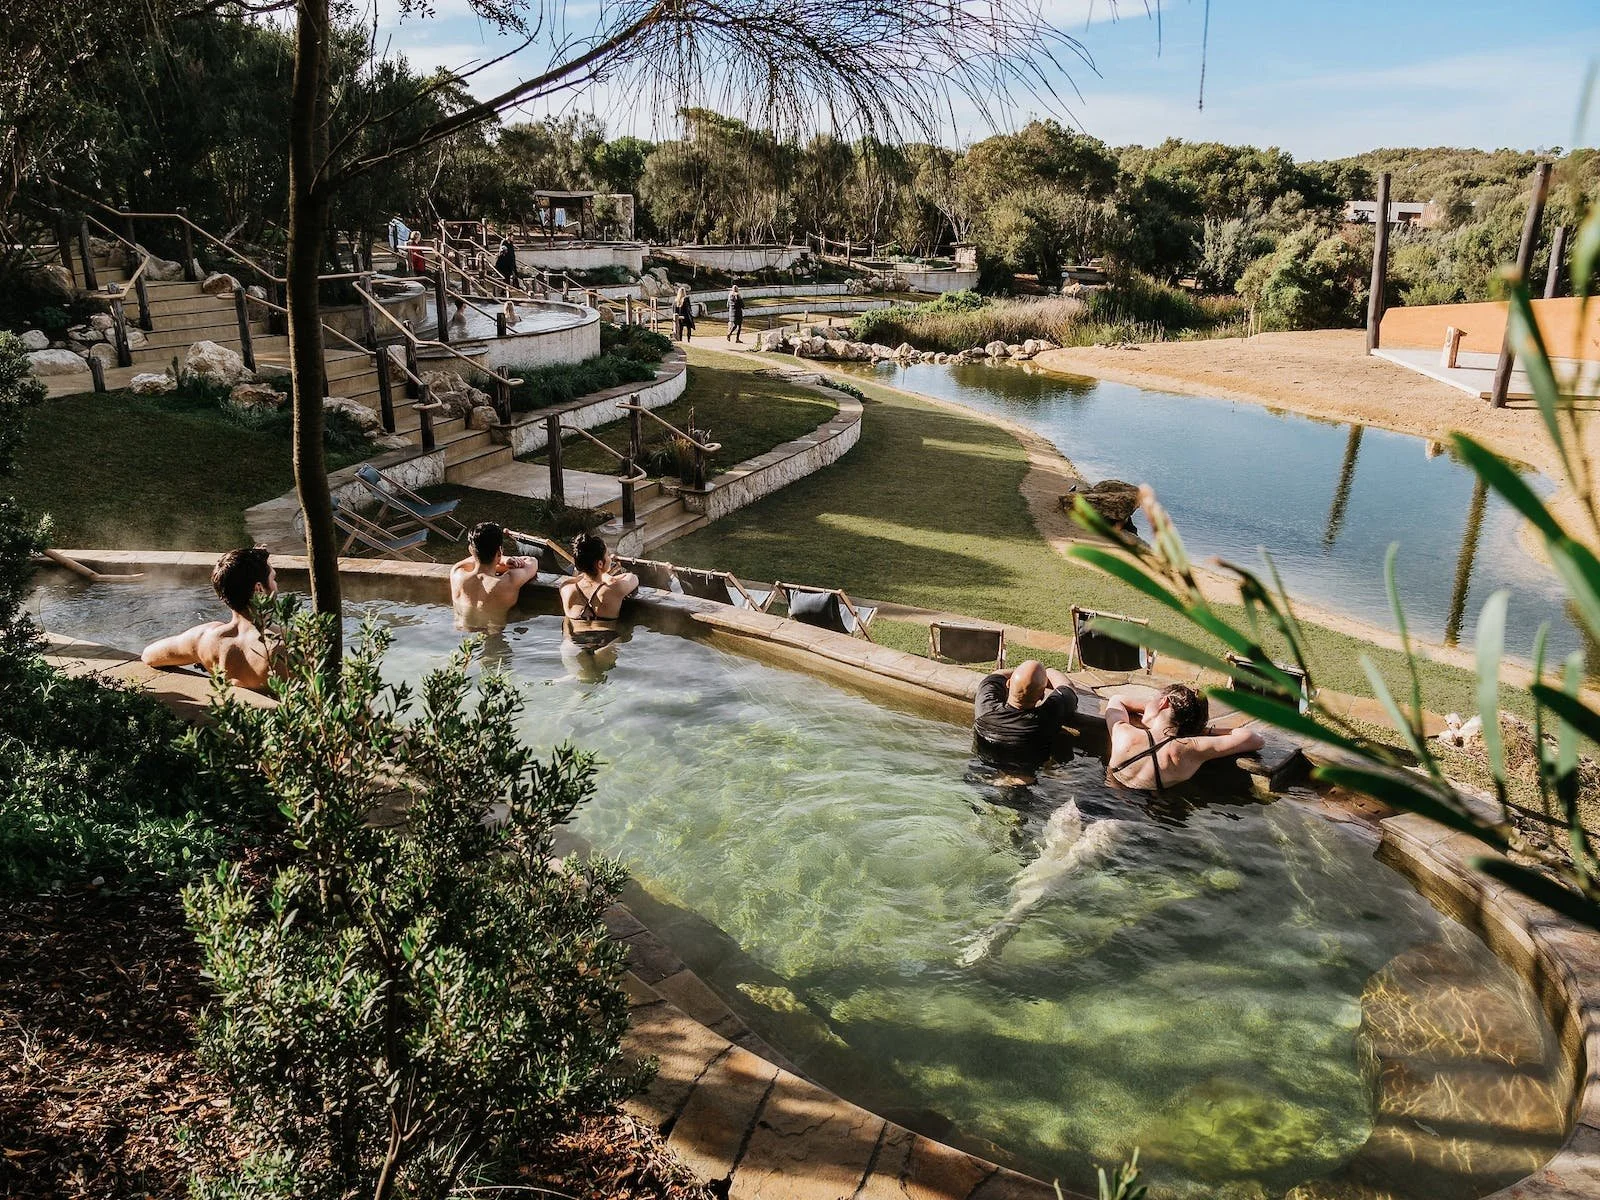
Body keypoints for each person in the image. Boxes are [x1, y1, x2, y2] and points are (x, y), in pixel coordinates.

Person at [141, 546, 278, 691]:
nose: (276, 585)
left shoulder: (206, 638)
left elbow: (148, 655)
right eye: (273, 579)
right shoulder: (286, 645)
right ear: (259, 589)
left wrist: (204, 658)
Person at [1104, 684, 1264, 793]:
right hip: (1152, 819)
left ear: (1163, 703)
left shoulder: (1123, 734)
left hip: (1108, 802)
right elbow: (1255, 739)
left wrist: (1150, 712)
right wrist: (1201, 730)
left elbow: (1117, 700)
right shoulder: (1191, 749)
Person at [971, 660, 1079, 782]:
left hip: (982, 776)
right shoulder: (1047, 717)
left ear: (1008, 683)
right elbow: (1067, 687)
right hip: (1024, 783)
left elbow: (997, 674)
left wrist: (1022, 676)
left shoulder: (986, 707)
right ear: (1042, 695)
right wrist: (1047, 672)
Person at [449, 522, 541, 631]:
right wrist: (504, 559)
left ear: (470, 550)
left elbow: (473, 559)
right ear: (499, 551)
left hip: (463, 640)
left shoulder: (457, 573)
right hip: (494, 638)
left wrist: (501, 559)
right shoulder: (508, 582)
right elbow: (532, 562)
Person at [559, 532, 639, 654]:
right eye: (607, 555)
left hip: (573, 645)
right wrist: (606, 576)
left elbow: (577, 578)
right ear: (600, 564)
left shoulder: (566, 589)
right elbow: (632, 577)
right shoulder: (614, 589)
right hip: (606, 643)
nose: (610, 557)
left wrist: (599, 574)